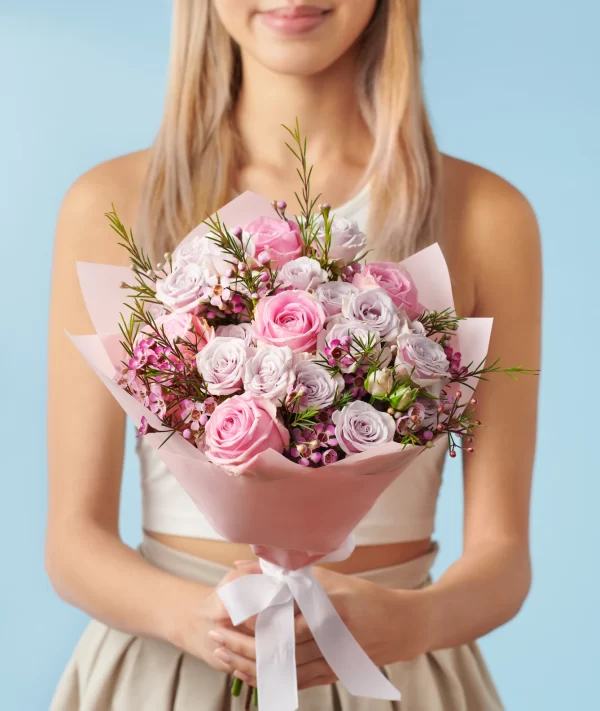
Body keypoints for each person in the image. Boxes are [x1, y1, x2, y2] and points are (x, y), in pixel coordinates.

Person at [46, 1, 541, 709]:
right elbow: (73, 542)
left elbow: (504, 558)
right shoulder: (112, 205)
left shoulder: (487, 217)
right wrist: (192, 620)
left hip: (394, 678)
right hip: (166, 674)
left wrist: (408, 622)